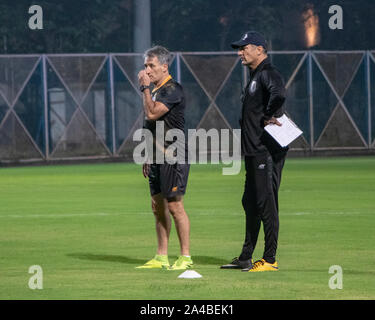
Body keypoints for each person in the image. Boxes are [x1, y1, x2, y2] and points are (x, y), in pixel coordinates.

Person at [221, 31, 288, 272]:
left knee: (266, 204)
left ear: (260, 49)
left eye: (244, 48)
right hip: (253, 151)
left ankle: (270, 259)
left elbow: (279, 94)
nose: (240, 52)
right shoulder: (255, 76)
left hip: (265, 151)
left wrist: (270, 114)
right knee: (249, 202)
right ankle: (245, 257)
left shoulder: (268, 73)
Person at [136, 45, 193, 271]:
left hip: (174, 156)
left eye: (152, 65)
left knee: (174, 205)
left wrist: (144, 88)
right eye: (145, 66)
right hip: (157, 157)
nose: (147, 70)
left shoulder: (172, 89)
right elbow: (150, 124)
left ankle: (185, 256)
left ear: (164, 67)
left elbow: (151, 113)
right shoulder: (156, 91)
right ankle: (161, 257)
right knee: (157, 206)